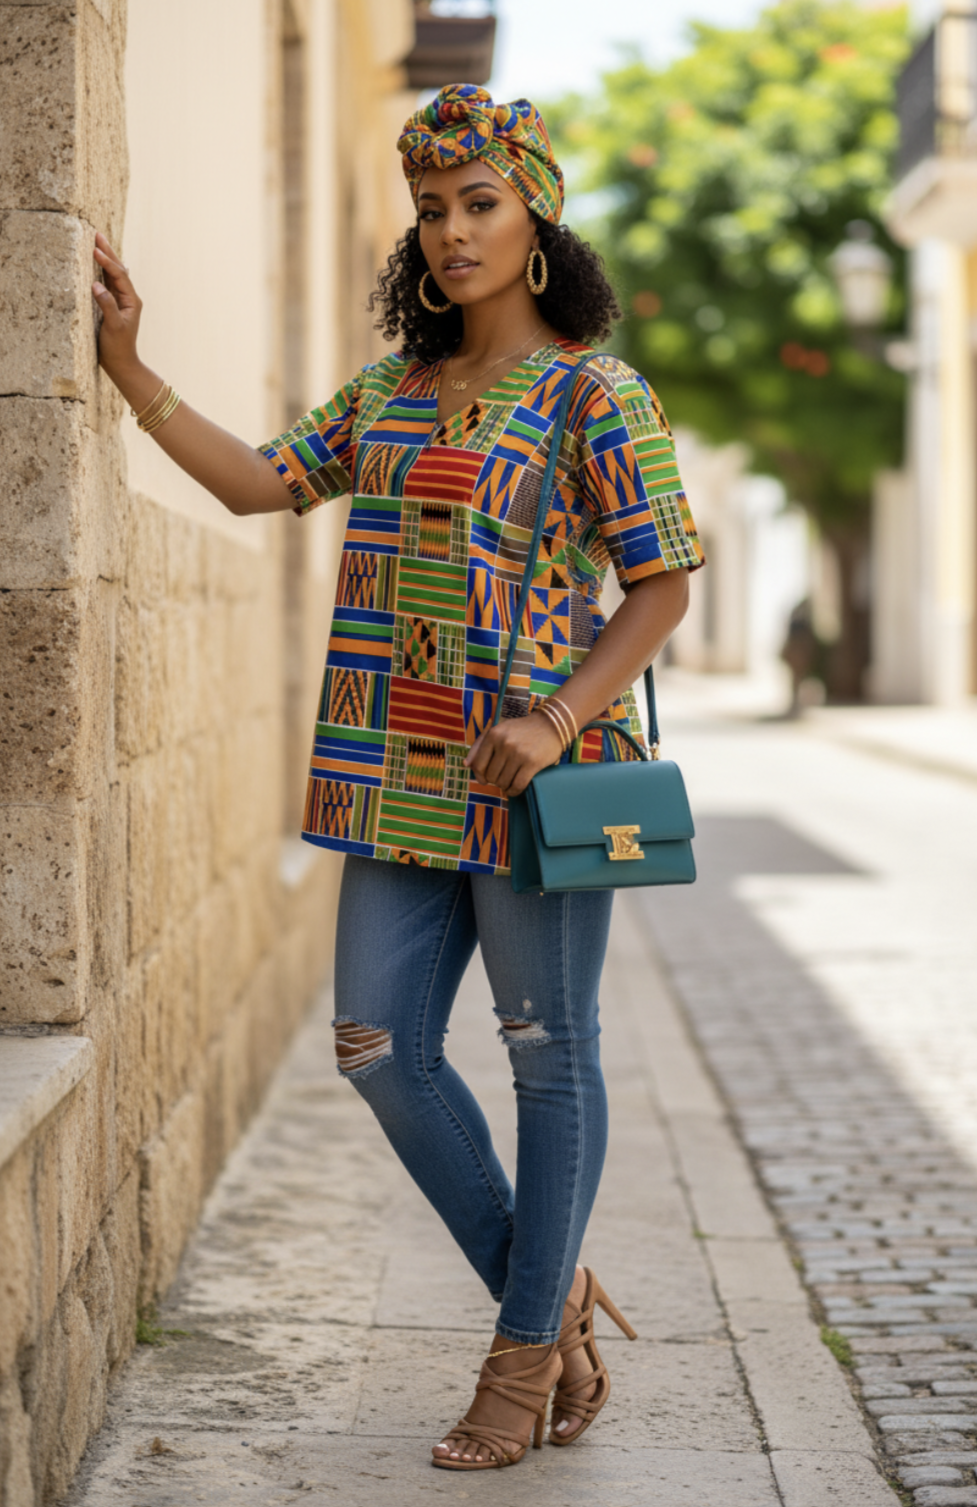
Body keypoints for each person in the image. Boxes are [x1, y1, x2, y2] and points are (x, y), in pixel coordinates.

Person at [92, 82, 704, 1472]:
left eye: (479, 202)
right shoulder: (392, 392)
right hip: (391, 773)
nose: (450, 231)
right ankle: (545, 1307)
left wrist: (555, 714)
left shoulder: (593, 391)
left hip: (534, 781)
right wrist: (132, 365)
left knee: (550, 1058)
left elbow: (662, 585)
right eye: (430, 209)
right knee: (376, 1044)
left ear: (535, 212)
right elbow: (259, 483)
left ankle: (514, 1364)